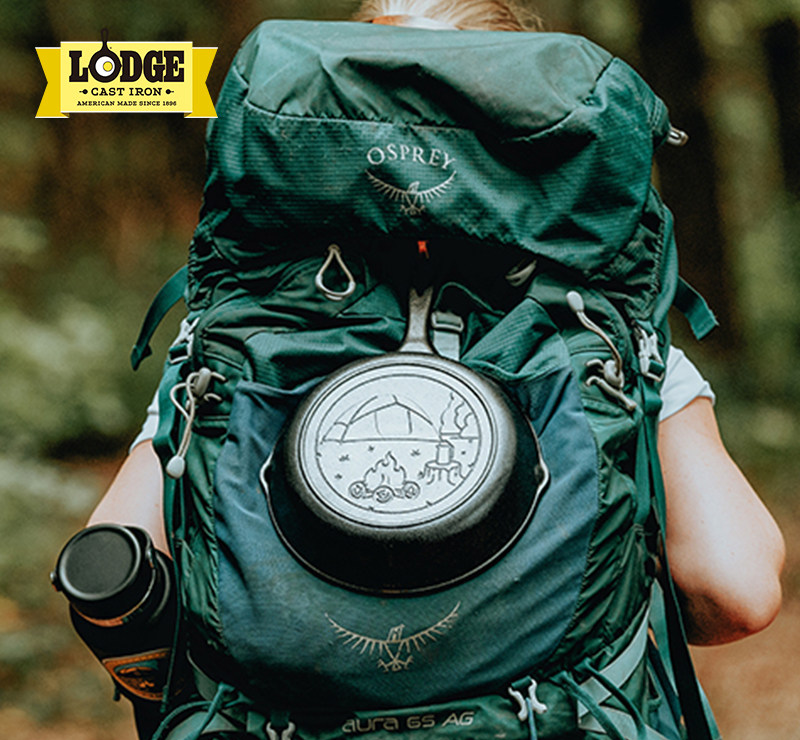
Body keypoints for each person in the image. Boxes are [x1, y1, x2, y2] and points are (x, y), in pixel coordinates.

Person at [89, 0, 784, 653]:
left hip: (282, 739)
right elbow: (735, 591)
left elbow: (113, 565)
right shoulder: (591, 324)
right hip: (542, 734)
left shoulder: (250, 324)